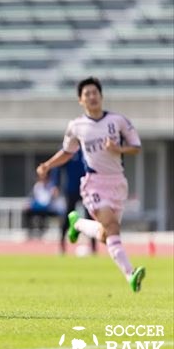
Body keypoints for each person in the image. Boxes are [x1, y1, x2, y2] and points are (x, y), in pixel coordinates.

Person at [36, 76, 145, 292]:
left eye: (95, 93)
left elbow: (136, 146)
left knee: (106, 235)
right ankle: (130, 274)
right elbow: (67, 152)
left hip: (118, 183)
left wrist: (118, 149)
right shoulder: (76, 126)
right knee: (113, 228)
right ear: (80, 100)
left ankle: (77, 224)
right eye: (87, 94)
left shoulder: (118, 121)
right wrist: (48, 165)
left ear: (101, 96)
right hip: (93, 183)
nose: (92, 97)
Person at [51, 149, 97, 255]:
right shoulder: (69, 148)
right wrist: (55, 184)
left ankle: (93, 247)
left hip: (87, 189)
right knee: (67, 216)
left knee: (90, 217)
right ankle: (62, 245)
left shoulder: (88, 148)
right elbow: (58, 166)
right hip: (71, 189)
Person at [23, 171, 62, 239]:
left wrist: (54, 194)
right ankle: (30, 232)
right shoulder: (37, 186)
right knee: (27, 212)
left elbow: (53, 199)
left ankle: (42, 231)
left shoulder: (52, 186)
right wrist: (29, 204)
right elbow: (33, 198)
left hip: (50, 208)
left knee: (43, 213)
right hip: (39, 207)